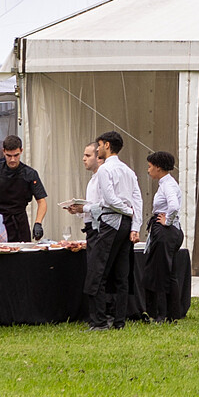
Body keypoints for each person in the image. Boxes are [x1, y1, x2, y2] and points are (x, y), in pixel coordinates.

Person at [77, 131, 143, 330]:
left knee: (98, 272)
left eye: (99, 146)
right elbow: (137, 199)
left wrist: (127, 211)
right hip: (124, 224)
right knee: (121, 274)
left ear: (106, 145)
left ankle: (99, 321)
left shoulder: (106, 170)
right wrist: (134, 224)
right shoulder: (128, 170)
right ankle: (119, 321)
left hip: (111, 223)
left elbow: (109, 200)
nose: (97, 150)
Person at [0, 135, 49, 242]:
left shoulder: (30, 174)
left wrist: (38, 223)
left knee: (22, 257)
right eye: (9, 156)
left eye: (16, 155)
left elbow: (41, 201)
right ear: (3, 151)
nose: (12, 159)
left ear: (21, 151)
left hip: (20, 220)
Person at [144, 150, 189, 322]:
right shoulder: (166, 183)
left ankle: (162, 314)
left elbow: (174, 205)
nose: (148, 170)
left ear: (158, 167)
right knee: (168, 272)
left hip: (165, 232)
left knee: (161, 273)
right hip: (170, 231)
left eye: (150, 167)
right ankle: (172, 313)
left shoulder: (168, 185)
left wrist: (167, 221)